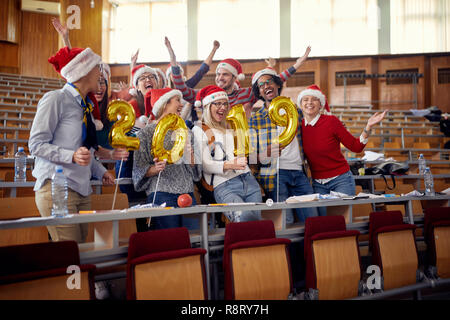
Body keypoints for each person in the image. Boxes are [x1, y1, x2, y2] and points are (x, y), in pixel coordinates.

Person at [29, 46, 115, 243]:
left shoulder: (86, 107)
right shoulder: (56, 99)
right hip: (57, 188)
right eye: (97, 68)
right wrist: (71, 155)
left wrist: (101, 172)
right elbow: (36, 144)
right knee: (72, 254)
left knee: (82, 252)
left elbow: (86, 152)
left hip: (82, 189)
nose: (100, 73)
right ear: (82, 71)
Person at [297, 85, 387, 215]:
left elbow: (356, 147)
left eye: (314, 99)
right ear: (300, 104)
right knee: (323, 223)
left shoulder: (331, 121)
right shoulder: (299, 127)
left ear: (320, 104)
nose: (309, 102)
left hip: (341, 180)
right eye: (305, 99)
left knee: (341, 220)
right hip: (318, 183)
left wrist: (368, 126)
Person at [166, 37, 311, 114]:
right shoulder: (207, 94)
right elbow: (181, 89)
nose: (220, 78)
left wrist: (298, 64)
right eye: (218, 74)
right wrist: (173, 61)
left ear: (235, 78)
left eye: (225, 75)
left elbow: (274, 81)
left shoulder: (246, 94)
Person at [249, 68, 317, 223]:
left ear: (277, 85)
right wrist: (265, 153)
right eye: (261, 85)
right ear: (259, 92)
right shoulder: (256, 119)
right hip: (275, 176)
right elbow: (251, 157)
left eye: (269, 82)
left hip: (299, 173)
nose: (266, 86)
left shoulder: (295, 111)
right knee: (285, 223)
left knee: (312, 220)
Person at [133, 87, 201, 230]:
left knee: (193, 241)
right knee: (170, 242)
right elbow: (138, 169)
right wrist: (154, 169)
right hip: (161, 194)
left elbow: (195, 172)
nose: (181, 105)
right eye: (177, 100)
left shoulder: (186, 132)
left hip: (187, 193)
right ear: (164, 104)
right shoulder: (145, 134)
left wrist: (191, 156)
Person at [193, 85, 262, 222]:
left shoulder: (231, 125)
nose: (223, 107)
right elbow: (205, 165)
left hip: (248, 180)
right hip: (225, 185)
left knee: (256, 224)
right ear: (207, 106)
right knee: (244, 218)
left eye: (225, 104)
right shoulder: (199, 129)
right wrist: (230, 164)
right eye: (217, 103)